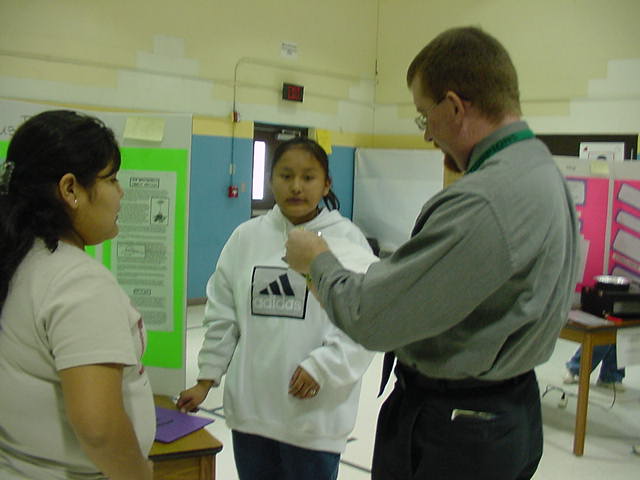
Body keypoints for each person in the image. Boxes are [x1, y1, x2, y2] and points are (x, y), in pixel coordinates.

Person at [284, 26, 579, 480]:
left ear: (455, 106)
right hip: (506, 412)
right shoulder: (540, 170)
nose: (426, 136)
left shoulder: (483, 201)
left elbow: (372, 317)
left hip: (458, 430)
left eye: (425, 117)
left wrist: (316, 260)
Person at [177, 137, 377, 480]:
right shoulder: (246, 238)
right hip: (252, 411)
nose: (296, 187)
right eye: (285, 176)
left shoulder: (348, 240)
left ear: (327, 183)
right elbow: (223, 313)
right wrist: (206, 379)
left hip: (314, 416)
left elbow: (364, 321)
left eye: (308, 177)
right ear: (270, 180)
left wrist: (323, 368)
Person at [0, 111, 155, 479]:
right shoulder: (77, 283)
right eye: (112, 179)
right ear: (70, 189)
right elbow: (98, 427)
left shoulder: (20, 260)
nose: (121, 192)